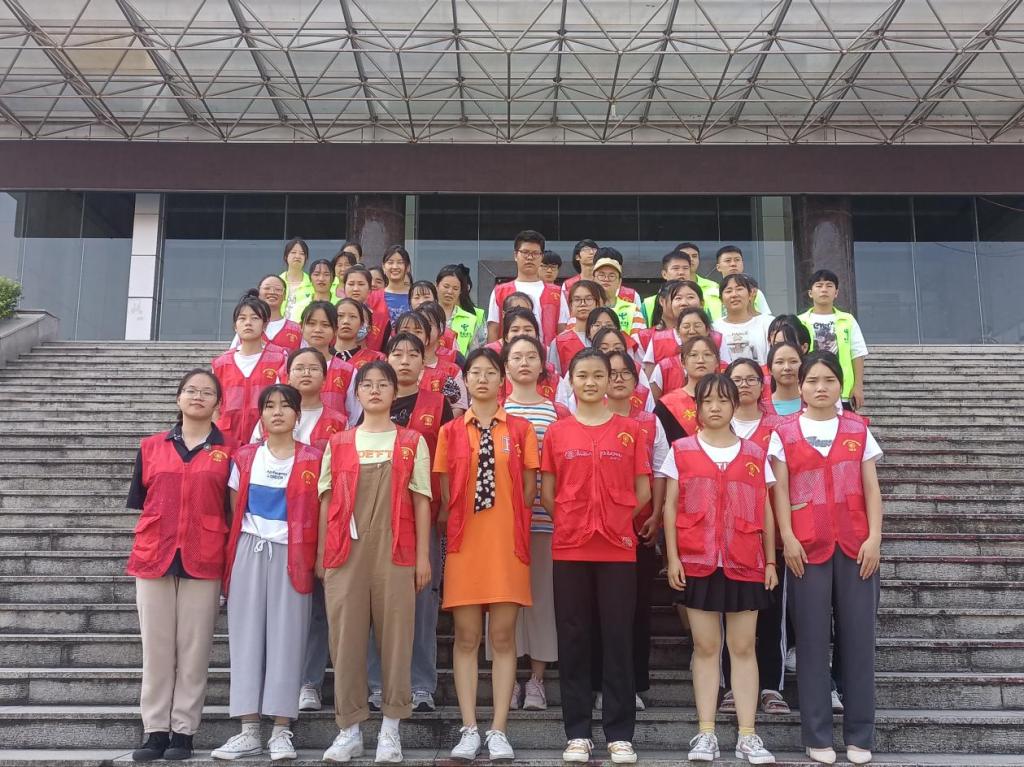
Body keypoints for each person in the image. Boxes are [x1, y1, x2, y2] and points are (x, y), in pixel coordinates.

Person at [769, 351, 883, 766]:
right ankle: (817, 735)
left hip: (856, 546)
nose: (821, 387)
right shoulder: (783, 432)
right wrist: (787, 538)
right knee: (812, 643)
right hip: (806, 548)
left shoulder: (858, 429)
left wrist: (875, 539)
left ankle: (860, 734)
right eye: (813, 380)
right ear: (800, 387)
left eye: (829, 380)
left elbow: (871, 488)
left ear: (841, 384)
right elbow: (780, 490)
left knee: (859, 642)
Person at [317, 361, 433, 764]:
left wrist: (422, 556)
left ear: (394, 392)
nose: (375, 390)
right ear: (357, 393)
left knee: (397, 639)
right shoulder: (338, 443)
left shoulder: (412, 441)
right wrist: (323, 555)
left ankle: (390, 729)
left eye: (383, 384)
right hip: (344, 553)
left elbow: (422, 500)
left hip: (396, 549)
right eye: (366, 384)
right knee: (345, 640)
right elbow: (326, 501)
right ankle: (348, 730)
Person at [541, 349, 652, 765]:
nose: (590, 382)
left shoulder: (630, 431)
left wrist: (615, 517)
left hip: (618, 550)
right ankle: (577, 733)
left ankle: (620, 734)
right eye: (582, 375)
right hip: (570, 547)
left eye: (598, 375)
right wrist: (573, 520)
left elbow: (643, 490)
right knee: (573, 637)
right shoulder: (558, 433)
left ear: (609, 381)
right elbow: (547, 493)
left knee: (618, 637)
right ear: (570, 381)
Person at [662, 374, 778, 765]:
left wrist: (771, 560)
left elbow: (765, 508)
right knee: (706, 647)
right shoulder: (680, 450)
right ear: (697, 407)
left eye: (722, 400)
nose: (715, 407)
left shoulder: (755, 453)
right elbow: (670, 507)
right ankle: (706, 732)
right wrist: (673, 558)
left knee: (743, 648)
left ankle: (748, 735)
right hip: (698, 561)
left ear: (734, 405)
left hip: (745, 560)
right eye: (707, 400)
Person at [436, 348, 540, 761]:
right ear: (465, 380)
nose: (482, 379)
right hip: (466, 545)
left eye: (490, 372)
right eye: (475, 372)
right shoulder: (449, 432)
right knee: (465, 637)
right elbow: (446, 494)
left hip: (506, 544)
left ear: (502, 380)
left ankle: (498, 729)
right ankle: (468, 727)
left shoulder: (520, 429)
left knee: (502, 637)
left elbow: (529, 490)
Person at [127, 369, 234, 763]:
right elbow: (141, 500)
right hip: (154, 555)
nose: (198, 396)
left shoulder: (230, 452)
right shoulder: (151, 447)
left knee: (194, 649)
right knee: (156, 650)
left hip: (205, 556)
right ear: (178, 398)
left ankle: (184, 732)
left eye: (207, 392)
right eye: (191, 390)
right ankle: (155, 730)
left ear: (218, 403)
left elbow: (231, 507)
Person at [212, 385, 322, 761]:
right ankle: (248, 730)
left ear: (297, 414)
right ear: (260, 414)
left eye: (286, 406)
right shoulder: (245, 457)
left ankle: (280, 730)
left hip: (294, 553)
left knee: (288, 638)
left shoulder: (314, 458)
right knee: (245, 637)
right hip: (249, 549)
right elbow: (235, 509)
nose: (277, 412)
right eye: (270, 406)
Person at [364, 332, 452, 715]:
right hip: (376, 517)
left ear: (423, 360)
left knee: (422, 602)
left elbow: (447, 462)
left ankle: (420, 685)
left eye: (412, 354)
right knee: (375, 604)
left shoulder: (438, 404)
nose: (404, 360)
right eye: (396, 353)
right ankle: (377, 683)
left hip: (423, 516)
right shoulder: (372, 403)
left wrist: (444, 509)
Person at [592, 350, 669, 712]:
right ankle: (597, 685)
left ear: (637, 381)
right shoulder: (590, 418)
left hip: (639, 528)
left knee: (636, 610)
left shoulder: (650, 422)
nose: (619, 378)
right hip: (596, 530)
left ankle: (633, 684)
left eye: (626, 373)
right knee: (596, 611)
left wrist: (657, 515)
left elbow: (661, 471)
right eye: (612, 373)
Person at [721, 358, 789, 718]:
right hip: (724, 540)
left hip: (768, 537)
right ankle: (732, 686)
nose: (744, 385)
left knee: (771, 616)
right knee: (727, 616)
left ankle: (771, 687)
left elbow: (781, 485)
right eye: (737, 379)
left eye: (751, 379)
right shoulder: (718, 424)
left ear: (762, 385)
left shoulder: (777, 428)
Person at [500, 335, 564, 711]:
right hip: (501, 527)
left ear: (543, 365)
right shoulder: (497, 409)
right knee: (504, 602)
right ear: (505, 366)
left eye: (531, 357)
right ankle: (507, 680)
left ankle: (536, 679)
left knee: (541, 601)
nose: (524, 362)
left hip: (544, 521)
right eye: (516, 357)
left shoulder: (557, 412)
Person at [211, 293, 287, 445]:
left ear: (265, 325)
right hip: (227, 439)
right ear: (235, 326)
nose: (248, 323)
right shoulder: (221, 363)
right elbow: (213, 404)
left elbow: (283, 400)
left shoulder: (279, 358)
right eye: (242, 318)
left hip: (265, 438)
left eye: (255, 318)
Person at [798, 270, 868, 411]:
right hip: (810, 389)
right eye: (819, 285)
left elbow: (857, 354)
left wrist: (858, 386)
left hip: (843, 392)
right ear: (810, 293)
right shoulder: (800, 321)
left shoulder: (848, 320)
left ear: (836, 293)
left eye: (829, 285)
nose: (824, 289)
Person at [253, 349, 348, 451]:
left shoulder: (339, 422)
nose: (306, 373)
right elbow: (254, 453)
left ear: (324, 379)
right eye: (299, 369)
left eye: (314, 369)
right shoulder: (271, 416)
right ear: (288, 378)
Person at [487, 229, 569, 346]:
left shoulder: (557, 293)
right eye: (525, 252)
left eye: (535, 253)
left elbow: (562, 330)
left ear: (541, 256)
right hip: (509, 355)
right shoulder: (500, 292)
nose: (530, 257)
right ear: (515, 255)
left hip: (546, 355)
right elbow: (493, 330)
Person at [396, 309, 468, 416]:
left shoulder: (445, 377)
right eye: (405, 331)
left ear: (427, 338)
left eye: (418, 331)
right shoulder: (384, 372)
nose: (411, 336)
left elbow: (457, 408)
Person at [296, 301, 358, 420]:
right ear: (301, 327)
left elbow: (354, 416)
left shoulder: (347, 372)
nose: (317, 330)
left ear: (335, 330)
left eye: (325, 325)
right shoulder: (287, 368)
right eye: (311, 324)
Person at [654, 336, 718, 443]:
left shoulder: (728, 400)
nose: (701, 360)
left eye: (707, 354)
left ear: (716, 362)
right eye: (693, 355)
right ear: (683, 363)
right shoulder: (667, 405)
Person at [641, 280, 712, 375]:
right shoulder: (657, 340)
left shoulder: (717, 338)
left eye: (690, 297)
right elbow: (649, 378)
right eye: (678, 298)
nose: (684, 303)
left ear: (702, 303)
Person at [649, 307, 719, 400]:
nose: (692, 331)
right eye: (686, 326)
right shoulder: (664, 367)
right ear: (678, 331)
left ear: (707, 330)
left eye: (697, 325)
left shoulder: (720, 365)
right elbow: (653, 403)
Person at [229, 274, 303, 352]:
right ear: (259, 294)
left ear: (285, 295)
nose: (272, 292)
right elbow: (232, 355)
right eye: (267, 288)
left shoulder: (296, 329)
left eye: (278, 289)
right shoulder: (247, 327)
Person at [714, 274, 775, 366]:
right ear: (721, 299)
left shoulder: (768, 323)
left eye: (739, 289)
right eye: (728, 291)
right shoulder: (715, 328)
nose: (734, 294)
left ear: (750, 295)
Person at [550, 279, 603, 375]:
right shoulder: (560, 342)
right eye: (577, 300)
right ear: (570, 305)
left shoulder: (608, 338)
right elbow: (554, 376)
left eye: (588, 299)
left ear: (597, 303)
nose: (583, 304)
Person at [436, 264, 486, 355]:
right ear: (437, 285)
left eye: (455, 288)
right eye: (446, 286)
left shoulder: (470, 319)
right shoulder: (426, 315)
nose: (450, 292)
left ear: (461, 291)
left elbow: (476, 353)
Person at [592, 255, 646, 336]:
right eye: (601, 275)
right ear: (593, 279)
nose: (606, 279)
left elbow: (639, 341)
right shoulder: (586, 309)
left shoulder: (633, 310)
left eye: (612, 276)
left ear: (619, 282)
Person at [345, 266, 391, 353]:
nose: (356, 289)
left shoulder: (382, 320)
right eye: (351, 284)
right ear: (344, 287)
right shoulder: (333, 315)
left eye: (361, 284)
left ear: (370, 289)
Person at [715, 246, 771, 316]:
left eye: (737, 260)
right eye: (728, 260)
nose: (733, 264)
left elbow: (766, 317)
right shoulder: (709, 293)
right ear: (718, 267)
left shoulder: (754, 291)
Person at [333, 298, 386, 368]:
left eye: (353, 316)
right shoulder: (321, 357)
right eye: (340, 316)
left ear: (361, 324)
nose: (346, 321)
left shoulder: (376, 359)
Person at [642, 251, 692, 325]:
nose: (681, 272)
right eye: (676, 268)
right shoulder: (648, 304)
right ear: (664, 274)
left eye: (685, 268)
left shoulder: (699, 299)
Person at [675, 243, 722, 320]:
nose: (691, 259)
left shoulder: (714, 286)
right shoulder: (668, 291)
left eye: (694, 256)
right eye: (686, 256)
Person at [280, 238, 314, 322]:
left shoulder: (312, 283)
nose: (297, 256)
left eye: (302, 253)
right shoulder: (277, 282)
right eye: (293, 252)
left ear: (306, 258)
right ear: (286, 256)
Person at [767, 341, 804, 416]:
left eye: (793, 361)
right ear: (770, 370)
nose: (787, 367)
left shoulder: (812, 404)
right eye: (780, 362)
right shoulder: (761, 408)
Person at [382, 245, 413, 326]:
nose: (395, 267)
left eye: (400, 262)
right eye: (390, 262)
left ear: (408, 267)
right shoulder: (374, 297)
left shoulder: (415, 296)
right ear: (383, 267)